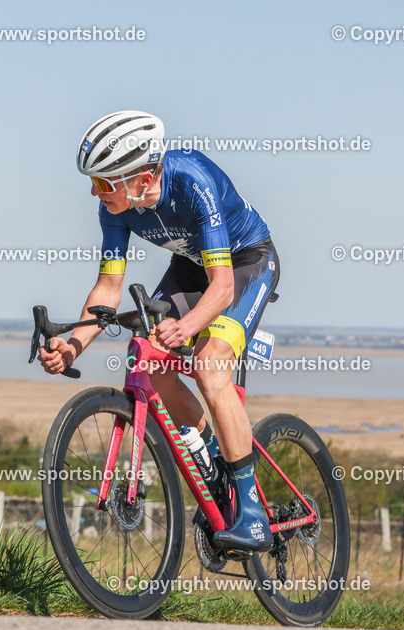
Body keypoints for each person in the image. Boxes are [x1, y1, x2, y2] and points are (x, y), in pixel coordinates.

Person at [39, 110, 280, 553]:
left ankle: (253, 516)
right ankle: (211, 451)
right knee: (148, 358)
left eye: (104, 181)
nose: (94, 191)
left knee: (209, 367)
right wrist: (73, 346)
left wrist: (187, 327)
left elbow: (223, 287)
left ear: (143, 176)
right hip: (191, 268)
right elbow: (109, 287)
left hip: (246, 263)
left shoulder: (192, 181)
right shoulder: (114, 208)